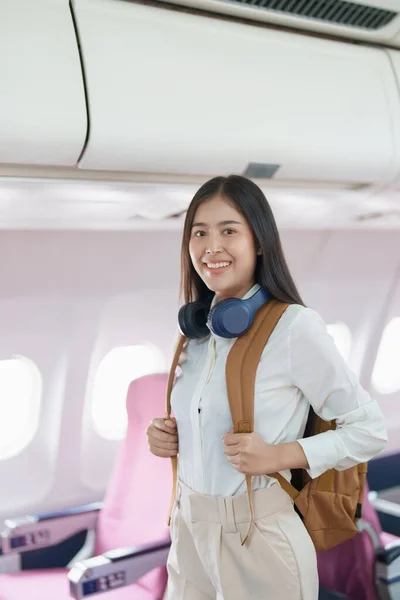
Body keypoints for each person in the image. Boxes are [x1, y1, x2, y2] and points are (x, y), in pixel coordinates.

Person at [146, 175, 388, 600]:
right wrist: (171, 437)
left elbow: (368, 429)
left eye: (229, 231)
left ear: (259, 242)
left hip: (260, 536)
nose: (211, 246)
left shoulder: (294, 328)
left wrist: (280, 455)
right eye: (199, 232)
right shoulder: (196, 332)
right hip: (189, 534)